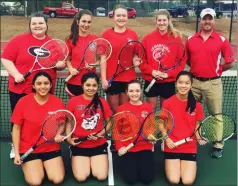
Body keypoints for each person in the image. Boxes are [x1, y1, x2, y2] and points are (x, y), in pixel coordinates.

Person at [1, 12, 66, 158]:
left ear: (46, 25)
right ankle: (15, 146)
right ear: (30, 26)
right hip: (20, 89)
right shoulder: (19, 41)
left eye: (41, 23)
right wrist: (16, 74)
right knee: (19, 120)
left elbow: (57, 65)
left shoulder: (53, 45)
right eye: (34, 23)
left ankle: (40, 142)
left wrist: (61, 65)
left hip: (44, 91)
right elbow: (6, 59)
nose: (37, 26)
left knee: (43, 118)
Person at [185, 8, 235, 158]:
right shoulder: (190, 40)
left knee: (216, 115)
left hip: (214, 84)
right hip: (193, 83)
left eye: (210, 18)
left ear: (213, 20)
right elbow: (188, 60)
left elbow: (230, 62)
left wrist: (217, 71)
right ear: (200, 20)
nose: (207, 21)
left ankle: (218, 145)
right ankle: (191, 138)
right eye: (204, 18)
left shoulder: (221, 40)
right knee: (189, 112)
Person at [11, 71, 66, 186]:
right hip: (28, 148)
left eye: (46, 83)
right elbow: (16, 129)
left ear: (51, 85)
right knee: (35, 182)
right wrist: (16, 153)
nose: (43, 86)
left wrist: (58, 134)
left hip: (50, 147)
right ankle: (31, 166)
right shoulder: (23, 102)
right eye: (39, 83)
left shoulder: (58, 102)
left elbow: (62, 123)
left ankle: (41, 166)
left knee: (58, 179)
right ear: (33, 86)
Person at [67, 72, 112, 182]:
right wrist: (69, 139)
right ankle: (73, 153)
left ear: (97, 86)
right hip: (80, 144)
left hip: (98, 144)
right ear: (82, 85)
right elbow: (69, 122)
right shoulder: (73, 101)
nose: (91, 88)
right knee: (81, 177)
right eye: (88, 85)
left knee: (101, 176)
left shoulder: (102, 102)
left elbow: (110, 121)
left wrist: (101, 134)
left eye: (94, 85)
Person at [161, 71, 205, 185]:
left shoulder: (197, 105)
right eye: (180, 82)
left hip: (189, 146)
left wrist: (199, 137)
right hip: (172, 145)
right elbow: (161, 124)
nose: (183, 86)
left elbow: (196, 125)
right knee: (174, 180)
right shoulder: (168, 103)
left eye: (186, 83)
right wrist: (167, 139)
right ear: (176, 84)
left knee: (187, 181)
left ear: (191, 84)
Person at [139, 9, 186, 109]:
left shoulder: (176, 38)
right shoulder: (147, 39)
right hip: (151, 80)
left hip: (168, 82)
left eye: (164, 20)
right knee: (150, 109)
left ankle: (163, 126)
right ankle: (150, 125)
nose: (162, 23)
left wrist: (168, 74)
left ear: (169, 21)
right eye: (159, 20)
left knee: (166, 111)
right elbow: (142, 62)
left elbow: (181, 63)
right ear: (156, 21)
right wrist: (152, 72)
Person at [115, 80, 155, 185]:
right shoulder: (121, 109)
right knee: (130, 179)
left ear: (141, 91)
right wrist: (120, 147)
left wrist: (151, 136)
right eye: (131, 91)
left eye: (137, 91)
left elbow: (151, 127)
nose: (134, 94)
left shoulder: (148, 107)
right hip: (128, 147)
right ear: (127, 93)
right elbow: (116, 131)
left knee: (147, 179)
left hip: (144, 146)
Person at [101, 5, 139, 113]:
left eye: (124, 15)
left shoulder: (133, 34)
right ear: (113, 17)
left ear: (127, 17)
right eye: (118, 15)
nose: (121, 18)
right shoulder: (106, 34)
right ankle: (115, 130)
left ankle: (125, 130)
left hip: (129, 78)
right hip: (112, 78)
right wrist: (104, 79)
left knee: (126, 109)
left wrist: (136, 59)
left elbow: (135, 54)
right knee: (114, 109)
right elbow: (103, 57)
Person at [65, 9, 98, 97]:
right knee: (74, 109)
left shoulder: (96, 39)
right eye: (83, 21)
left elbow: (100, 59)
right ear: (78, 22)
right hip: (73, 82)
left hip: (90, 83)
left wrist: (94, 65)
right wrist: (71, 69)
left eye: (89, 22)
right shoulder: (70, 40)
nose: (86, 25)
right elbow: (67, 59)